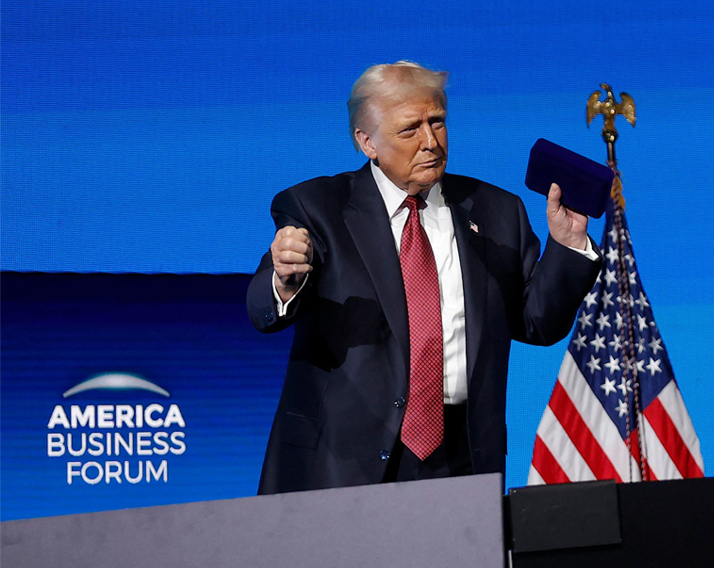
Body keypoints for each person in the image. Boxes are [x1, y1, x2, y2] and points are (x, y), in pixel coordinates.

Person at [247, 61, 601, 494]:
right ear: (367, 142)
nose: (430, 142)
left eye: (438, 122)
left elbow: (537, 323)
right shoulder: (317, 207)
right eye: (409, 129)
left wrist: (565, 246)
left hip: (461, 458)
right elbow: (264, 311)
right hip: (340, 460)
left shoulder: (496, 211)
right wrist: (284, 281)